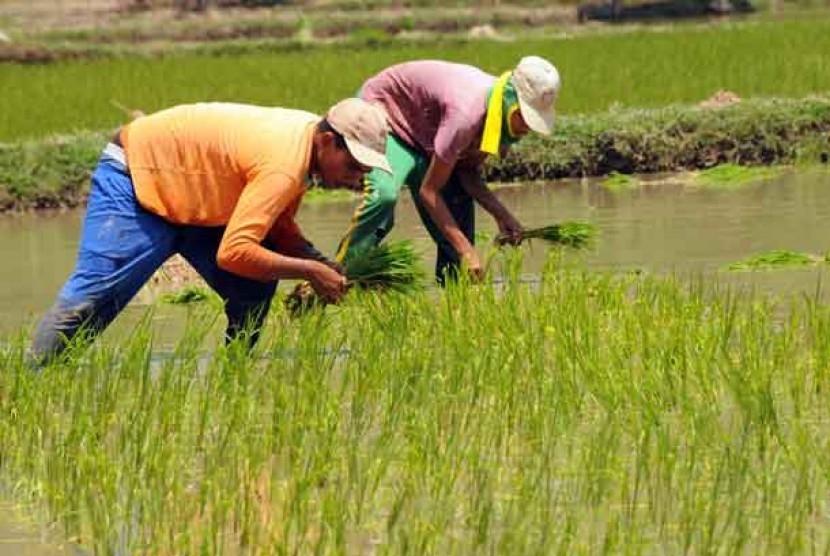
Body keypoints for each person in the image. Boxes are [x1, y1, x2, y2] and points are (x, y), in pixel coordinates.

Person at [31, 98, 392, 364]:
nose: (357, 176)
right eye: (353, 163)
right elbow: (234, 253)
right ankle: (28, 380)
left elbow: (278, 224)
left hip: (195, 196)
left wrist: (319, 260)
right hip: (138, 175)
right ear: (327, 141)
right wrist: (311, 272)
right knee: (94, 296)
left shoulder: (305, 148)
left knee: (254, 285)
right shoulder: (284, 164)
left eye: (365, 169)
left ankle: (235, 376)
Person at [334, 56, 561, 283]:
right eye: (524, 117)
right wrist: (467, 250)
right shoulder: (466, 114)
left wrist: (502, 215)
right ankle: (336, 276)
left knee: (458, 219)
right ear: (511, 101)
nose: (527, 128)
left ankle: (453, 295)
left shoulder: (498, 117)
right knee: (384, 196)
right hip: (386, 117)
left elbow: (466, 171)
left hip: (426, 136)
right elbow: (429, 192)